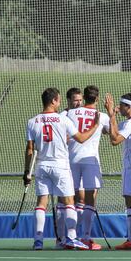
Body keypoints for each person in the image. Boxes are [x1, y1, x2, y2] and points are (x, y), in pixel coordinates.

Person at [23, 87, 99, 250]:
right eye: (58, 100)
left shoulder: (31, 121)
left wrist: (26, 172)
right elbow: (81, 138)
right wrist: (95, 125)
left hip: (41, 166)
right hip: (60, 165)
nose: (59, 103)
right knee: (69, 201)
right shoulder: (63, 120)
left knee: (41, 202)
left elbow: (30, 149)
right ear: (53, 101)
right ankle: (71, 237)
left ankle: (38, 240)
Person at [66, 85, 110, 250]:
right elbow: (109, 133)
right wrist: (112, 113)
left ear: (83, 98)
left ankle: (71, 237)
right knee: (90, 198)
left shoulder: (71, 113)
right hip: (90, 160)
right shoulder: (102, 116)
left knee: (74, 199)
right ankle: (85, 237)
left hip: (72, 159)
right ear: (97, 99)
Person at [104, 93, 131, 250]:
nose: (119, 107)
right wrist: (113, 117)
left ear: (129, 107)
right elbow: (111, 131)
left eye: (122, 106)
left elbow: (115, 140)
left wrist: (111, 115)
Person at [57, 87, 83, 248]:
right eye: (75, 100)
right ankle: (60, 239)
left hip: (79, 163)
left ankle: (75, 236)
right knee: (63, 201)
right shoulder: (62, 116)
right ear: (68, 101)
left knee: (80, 199)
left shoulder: (83, 114)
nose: (79, 103)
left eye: (80, 100)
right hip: (65, 163)